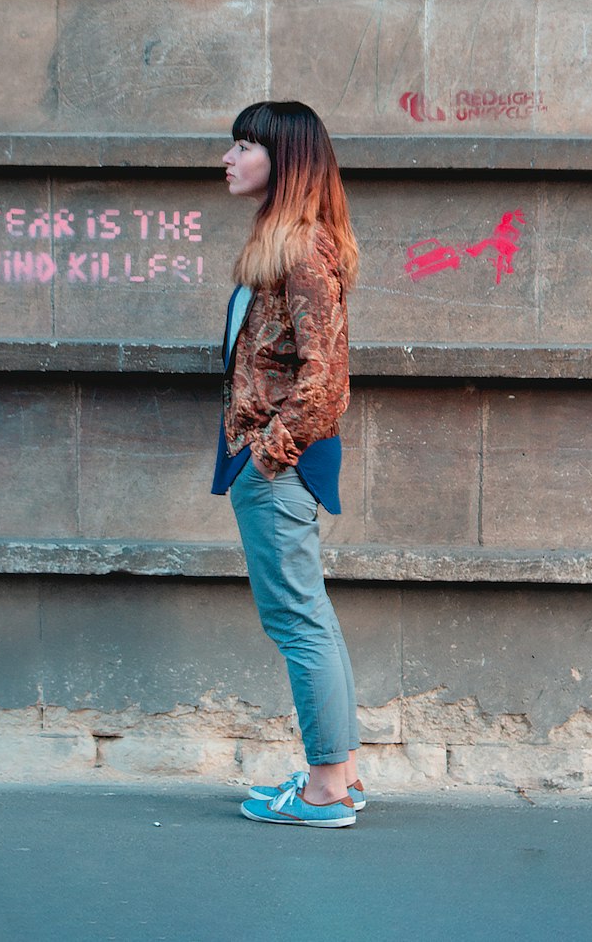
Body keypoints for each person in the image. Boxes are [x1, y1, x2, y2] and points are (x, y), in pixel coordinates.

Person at [211, 100, 365, 829]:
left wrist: (265, 457)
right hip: (273, 464)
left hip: (278, 468)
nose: (228, 158)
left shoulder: (302, 250)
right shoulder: (284, 245)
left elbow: (326, 377)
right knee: (311, 619)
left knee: (297, 619)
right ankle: (341, 775)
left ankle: (326, 791)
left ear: (286, 159)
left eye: (244, 146)